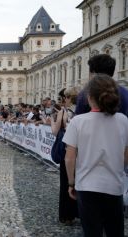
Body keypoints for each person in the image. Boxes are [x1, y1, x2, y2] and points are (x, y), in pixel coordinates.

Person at [63, 74, 128, 237]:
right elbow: (126, 154)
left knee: (92, 231)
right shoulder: (123, 120)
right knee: (115, 231)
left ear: (89, 97)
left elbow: (69, 157)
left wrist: (71, 182)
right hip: (114, 184)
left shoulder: (78, 121)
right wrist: (119, 167)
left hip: (87, 185)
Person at [50, 87, 79, 225]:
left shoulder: (63, 111)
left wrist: (51, 120)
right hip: (80, 152)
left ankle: (66, 216)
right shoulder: (82, 111)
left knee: (66, 182)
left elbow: (55, 132)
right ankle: (78, 212)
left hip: (67, 150)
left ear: (67, 98)